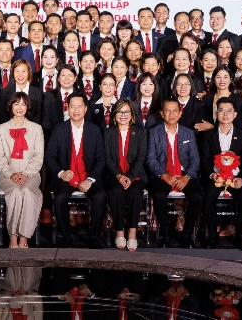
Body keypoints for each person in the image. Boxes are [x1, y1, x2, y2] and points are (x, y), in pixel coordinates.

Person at [46, 95, 107, 247]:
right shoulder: (59, 129)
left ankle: (93, 237)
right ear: (67, 108)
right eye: (72, 106)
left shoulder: (95, 130)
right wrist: (61, 173)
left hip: (89, 176)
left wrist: (90, 179)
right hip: (66, 176)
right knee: (59, 198)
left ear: (85, 109)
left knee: (100, 195)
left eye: (79, 106)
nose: (76, 110)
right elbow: (50, 156)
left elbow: (101, 159)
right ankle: (66, 237)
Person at [197, 98, 242, 249]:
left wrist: (241, 178)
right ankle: (212, 235)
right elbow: (204, 160)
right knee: (208, 197)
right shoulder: (209, 135)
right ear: (217, 113)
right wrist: (212, 175)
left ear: (235, 114)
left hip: (235, 177)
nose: (225, 114)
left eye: (229, 111)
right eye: (221, 110)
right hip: (217, 177)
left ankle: (240, 235)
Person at [146, 99, 202, 248]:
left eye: (174, 110)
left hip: (184, 173)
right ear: (162, 113)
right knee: (158, 195)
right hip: (162, 174)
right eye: (167, 111)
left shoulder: (188, 133)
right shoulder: (153, 132)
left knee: (197, 196)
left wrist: (186, 177)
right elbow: (150, 159)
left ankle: (187, 235)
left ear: (180, 113)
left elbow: (195, 159)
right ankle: (164, 234)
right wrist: (164, 175)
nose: (171, 114)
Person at [0, 92, 44, 248]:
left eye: (23, 104)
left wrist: (26, 174)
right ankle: (13, 236)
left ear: (27, 107)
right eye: (16, 103)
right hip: (7, 175)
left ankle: (24, 237)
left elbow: (38, 157)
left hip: (31, 175)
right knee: (16, 191)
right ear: (11, 106)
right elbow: (0, 158)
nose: (19, 107)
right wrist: (11, 174)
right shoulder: (2, 129)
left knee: (27, 192)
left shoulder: (36, 129)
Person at [102, 100, 146, 250]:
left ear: (132, 114)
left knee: (134, 192)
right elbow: (107, 158)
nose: (123, 115)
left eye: (127, 112)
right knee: (115, 191)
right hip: (113, 174)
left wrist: (130, 176)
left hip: (135, 174)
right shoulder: (108, 132)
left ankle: (132, 231)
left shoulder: (140, 132)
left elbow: (141, 158)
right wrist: (119, 175)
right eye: (120, 112)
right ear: (114, 114)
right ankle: (119, 230)